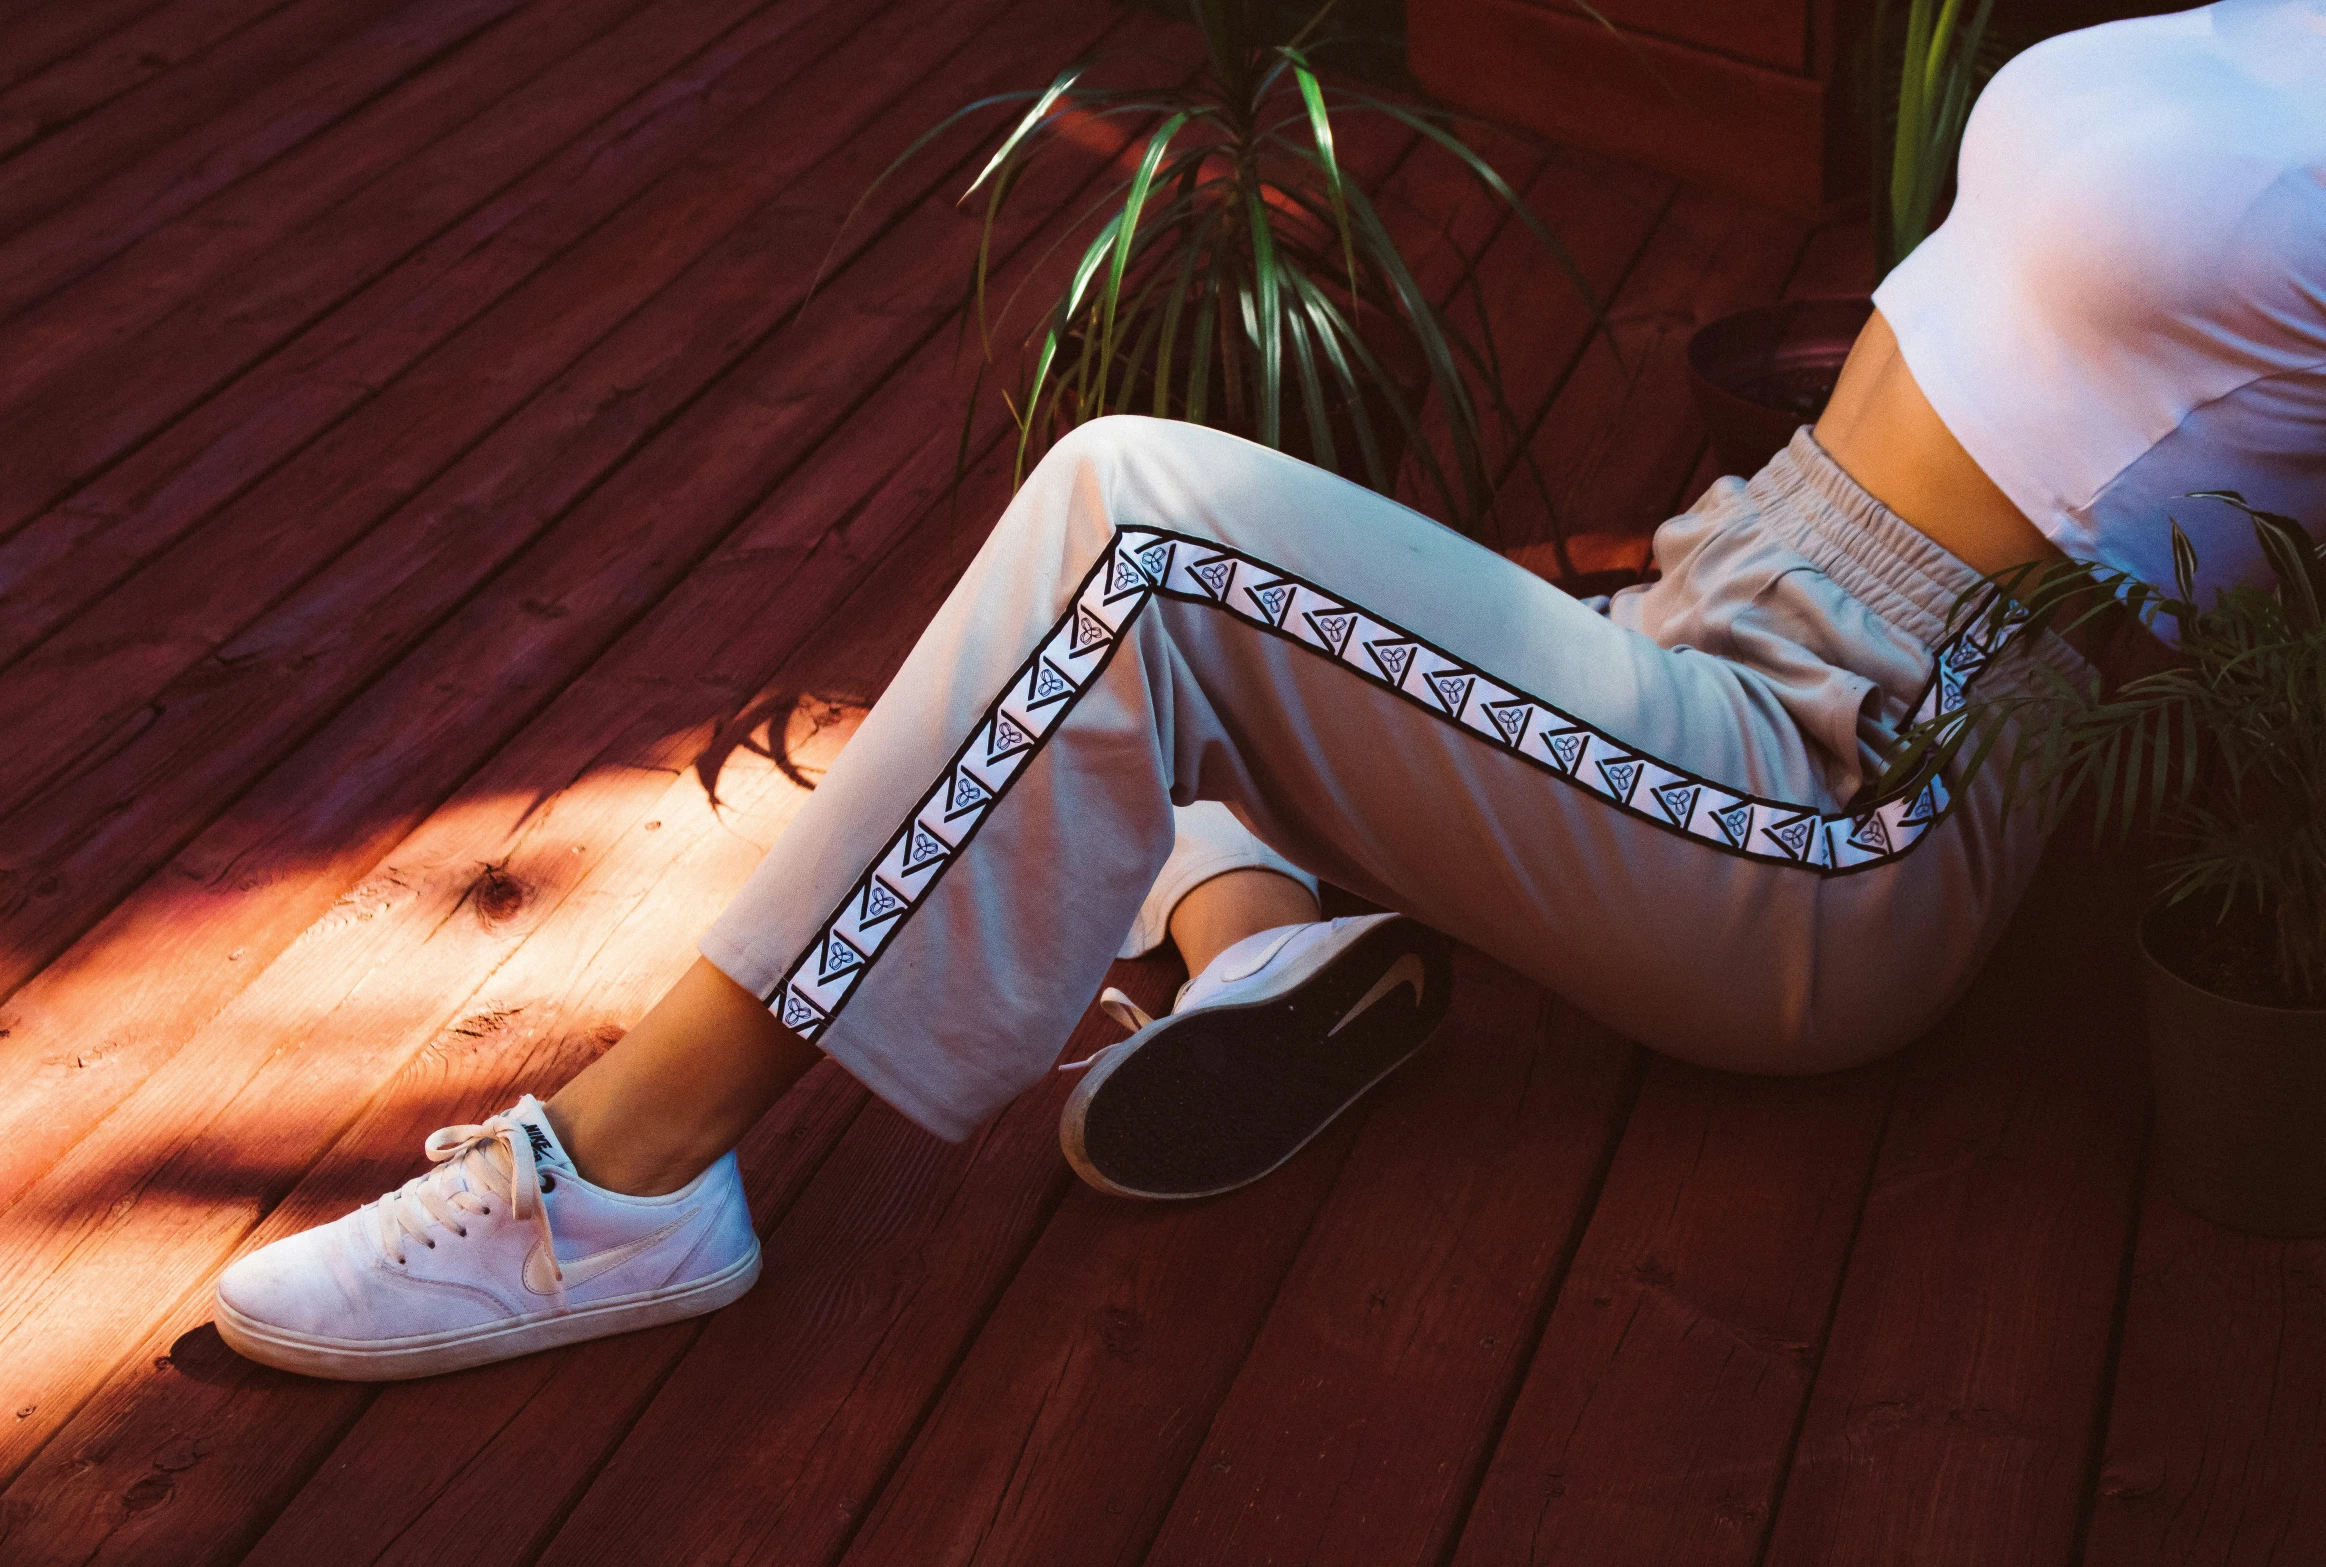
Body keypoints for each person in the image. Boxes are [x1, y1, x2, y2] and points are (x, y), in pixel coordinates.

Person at [212, 0, 2325, 1381]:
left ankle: (620, 1183)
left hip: (1848, 794)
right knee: (1138, 708)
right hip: (1737, 570)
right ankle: (1270, 962)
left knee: (1135, 532)